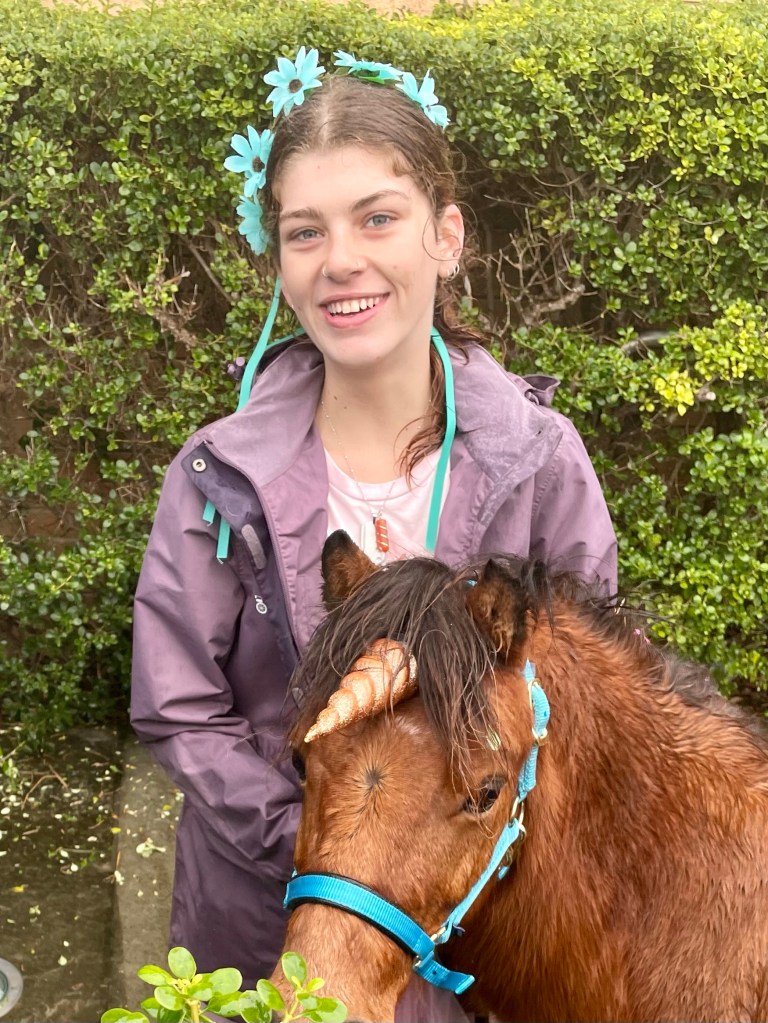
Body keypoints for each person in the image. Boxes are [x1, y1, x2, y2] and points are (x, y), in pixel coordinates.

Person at [131, 48, 617, 1021]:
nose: (341, 259)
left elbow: (584, 697)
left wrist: (425, 848)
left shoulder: (539, 462)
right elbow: (180, 709)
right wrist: (337, 855)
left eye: (378, 217)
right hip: (266, 930)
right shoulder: (218, 477)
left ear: (447, 235)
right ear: (279, 261)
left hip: (476, 943)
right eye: (305, 231)